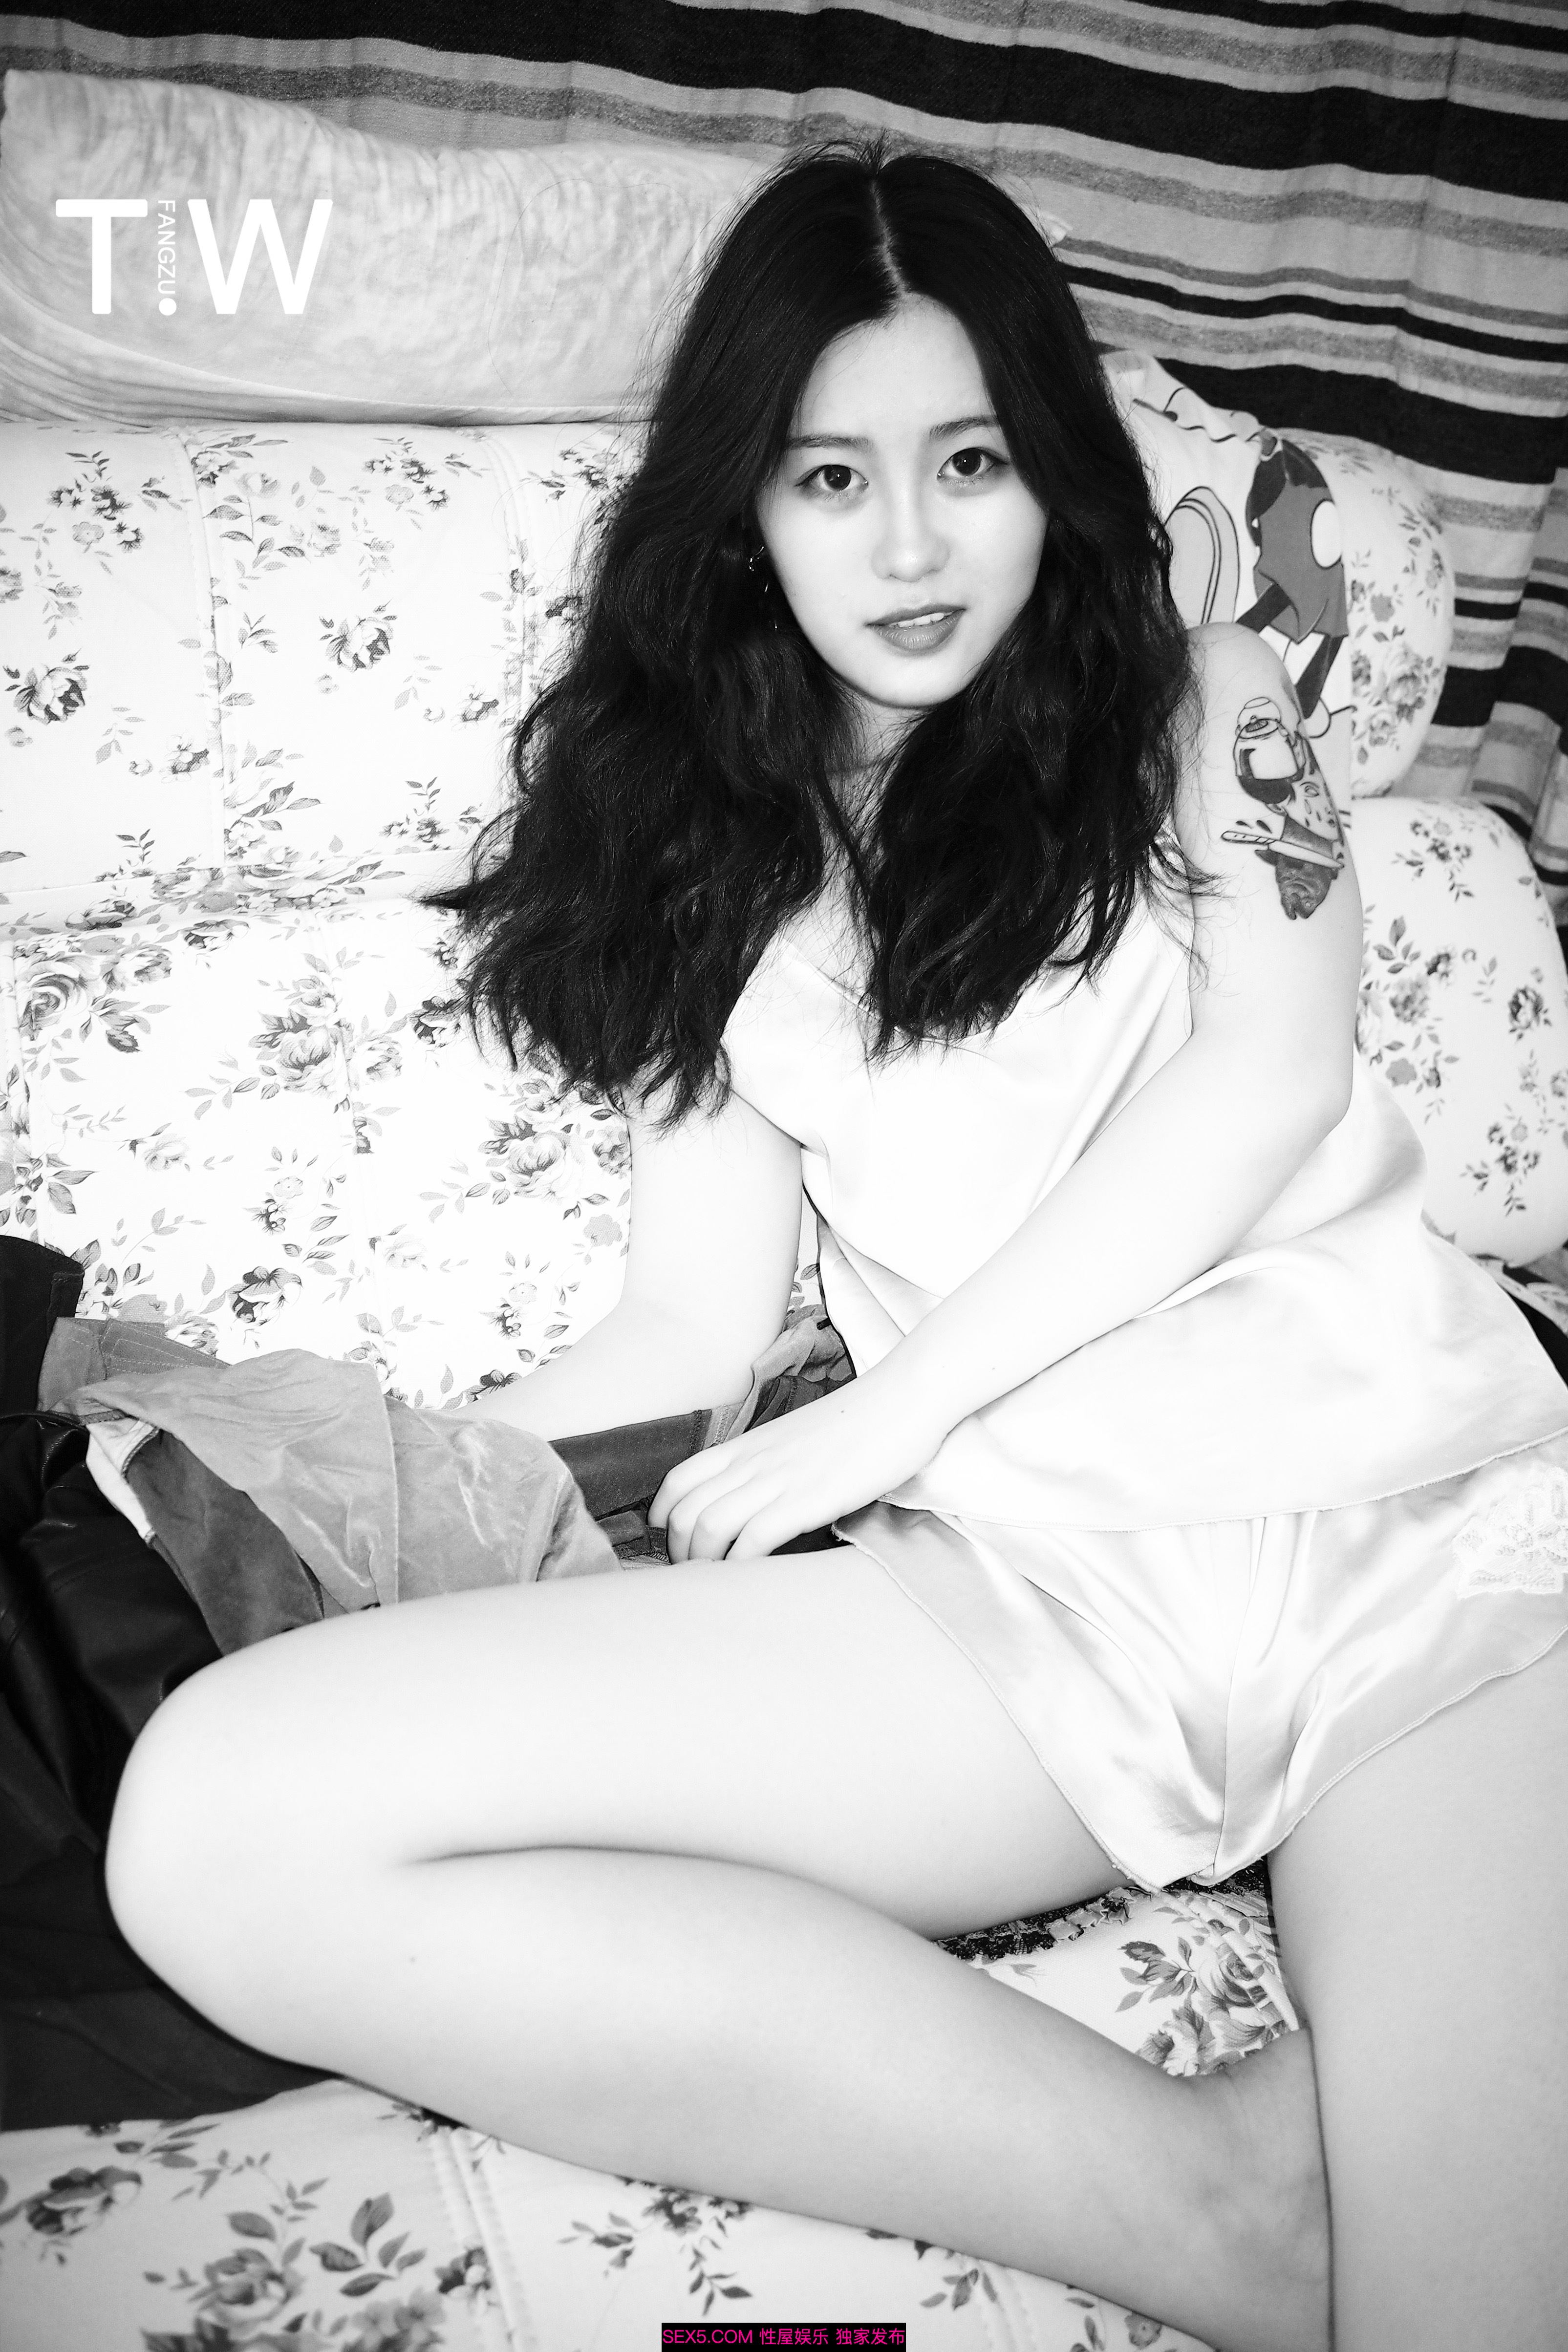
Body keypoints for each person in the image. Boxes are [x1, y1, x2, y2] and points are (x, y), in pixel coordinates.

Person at [103, 146, 1568, 2352]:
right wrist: (352, 1504)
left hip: (1425, 1542)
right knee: (216, 1816)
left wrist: (889, 1413)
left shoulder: (1207, 701)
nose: (904, 545)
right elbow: (687, 1322)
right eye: (827, 475)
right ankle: (1210, 2203)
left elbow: (1262, 1078)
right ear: (746, 513)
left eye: (968, 461)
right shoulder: (711, 857)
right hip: (1032, 1605)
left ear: (1047, 468)